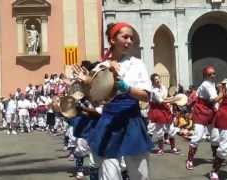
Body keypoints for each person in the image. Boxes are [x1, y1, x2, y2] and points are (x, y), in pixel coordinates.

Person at [73, 22, 153, 180]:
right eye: (125, 37)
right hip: (108, 122)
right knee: (109, 175)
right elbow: (95, 98)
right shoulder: (101, 67)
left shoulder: (137, 64)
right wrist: (84, 84)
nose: (129, 41)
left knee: (140, 175)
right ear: (112, 40)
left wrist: (124, 86)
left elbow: (146, 96)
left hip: (132, 121)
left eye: (131, 38)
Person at [185, 65, 223, 170]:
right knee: (197, 136)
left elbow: (214, 101)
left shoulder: (211, 83)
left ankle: (215, 158)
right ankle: (189, 160)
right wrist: (222, 91)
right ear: (205, 75)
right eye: (210, 74)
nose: (212, 76)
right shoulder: (206, 84)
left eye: (214, 73)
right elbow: (215, 99)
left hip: (210, 111)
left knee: (215, 137)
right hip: (201, 111)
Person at [149, 73, 180, 155]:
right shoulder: (153, 90)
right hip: (157, 110)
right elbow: (161, 101)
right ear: (153, 81)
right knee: (159, 131)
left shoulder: (163, 87)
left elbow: (165, 98)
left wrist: (172, 98)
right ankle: (160, 149)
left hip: (165, 109)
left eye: (158, 78)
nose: (158, 80)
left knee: (171, 129)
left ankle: (173, 148)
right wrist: (174, 100)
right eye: (155, 79)